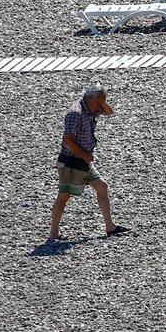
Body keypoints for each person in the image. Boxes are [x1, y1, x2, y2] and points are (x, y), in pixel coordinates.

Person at [49, 84, 124, 241]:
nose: (100, 107)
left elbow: (109, 112)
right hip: (71, 162)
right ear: (90, 99)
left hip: (84, 162)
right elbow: (68, 140)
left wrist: (102, 102)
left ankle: (110, 227)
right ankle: (53, 234)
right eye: (98, 103)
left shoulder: (91, 107)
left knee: (102, 187)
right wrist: (85, 155)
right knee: (63, 197)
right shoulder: (76, 113)